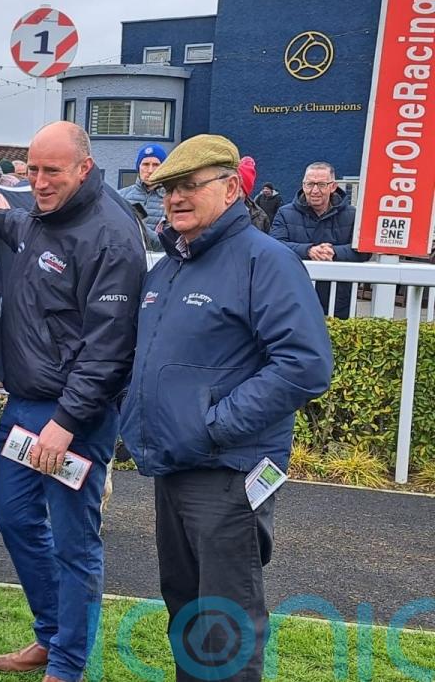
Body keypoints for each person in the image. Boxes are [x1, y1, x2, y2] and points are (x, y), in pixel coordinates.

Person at [119, 134, 333, 681]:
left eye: (190, 185)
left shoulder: (267, 261)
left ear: (232, 188)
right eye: (169, 188)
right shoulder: (169, 267)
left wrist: (213, 425)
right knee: (187, 614)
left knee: (224, 627)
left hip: (227, 473)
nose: (176, 198)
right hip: (176, 467)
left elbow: (304, 364)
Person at [0, 121, 145, 682]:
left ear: (84, 168)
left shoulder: (112, 236)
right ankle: (52, 633)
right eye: (32, 170)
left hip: (73, 418)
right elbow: (14, 222)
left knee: (75, 544)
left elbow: (109, 348)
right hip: (23, 407)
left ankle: (68, 664)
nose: (39, 182)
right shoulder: (38, 215)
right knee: (13, 519)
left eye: (51, 171)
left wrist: (66, 421)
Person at [270, 161, 368, 318]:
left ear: (333, 186)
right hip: (294, 297)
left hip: (338, 301)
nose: (315, 190)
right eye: (310, 184)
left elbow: (363, 250)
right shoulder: (285, 213)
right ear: (303, 185)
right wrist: (308, 250)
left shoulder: (352, 215)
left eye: (321, 184)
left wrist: (334, 252)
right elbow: (274, 246)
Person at [118, 142, 167, 249]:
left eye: (156, 165)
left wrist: (137, 223)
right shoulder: (120, 197)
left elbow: (168, 244)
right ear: (138, 167)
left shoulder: (172, 199)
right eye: (145, 164)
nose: (150, 170)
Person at [237, 156, 272, 233]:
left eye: (238, 189)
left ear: (245, 192)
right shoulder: (214, 211)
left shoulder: (261, 217)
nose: (231, 193)